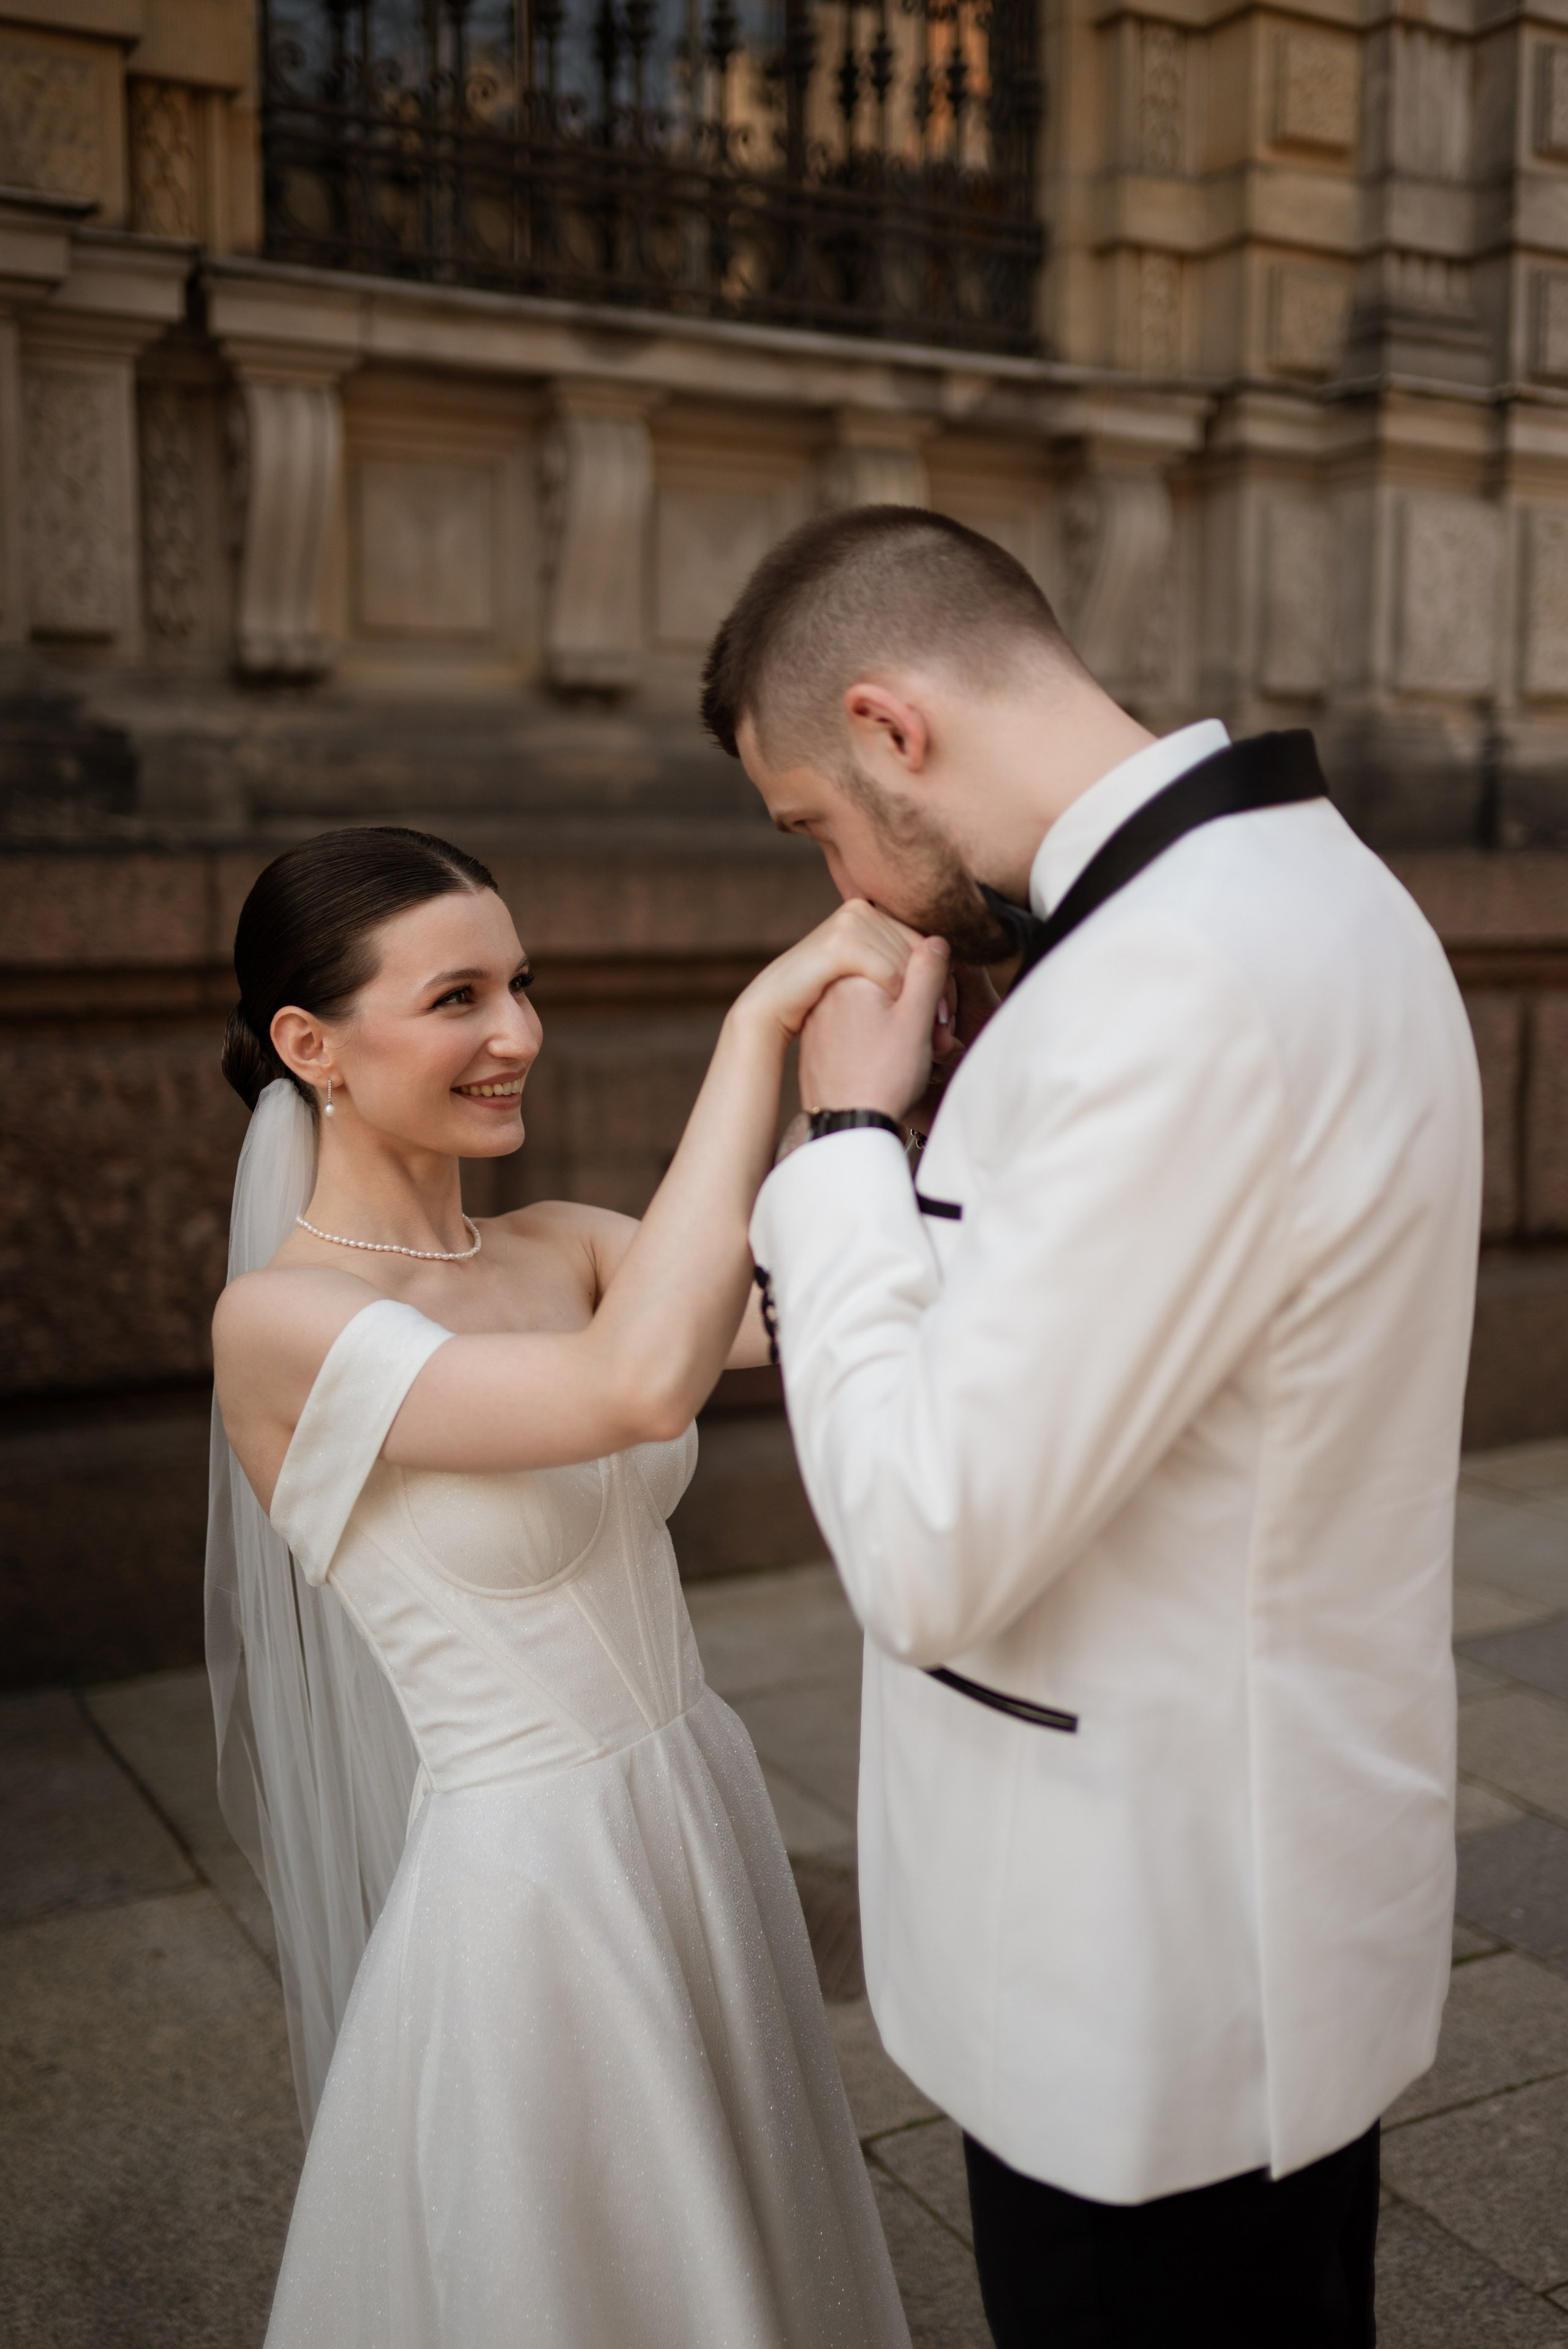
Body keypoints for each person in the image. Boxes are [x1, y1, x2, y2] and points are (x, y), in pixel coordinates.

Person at [699, 505, 1483, 2348]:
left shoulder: (1182, 981)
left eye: (816, 822)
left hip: (1152, 1978)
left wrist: (849, 1152)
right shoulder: (1255, 902)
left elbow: (932, 1545)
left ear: (893, 727)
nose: (851, 891)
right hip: (1181, 1919)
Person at [206, 823, 932, 2349]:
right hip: (536, 1886)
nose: (516, 1034)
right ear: (308, 1043)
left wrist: (911, 1001)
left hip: (696, 1806)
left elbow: (817, 1279)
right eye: (458, 996)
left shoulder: (560, 1248)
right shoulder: (279, 1324)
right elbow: (632, 1390)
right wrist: (754, 1026)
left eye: (521, 984)